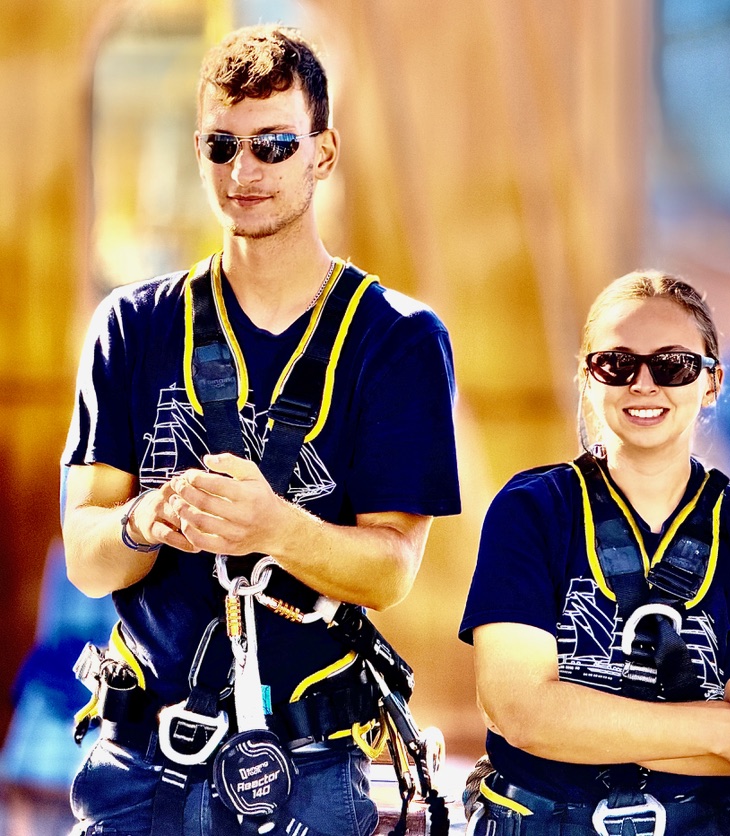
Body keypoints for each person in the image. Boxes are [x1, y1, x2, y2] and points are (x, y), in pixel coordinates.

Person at [61, 25, 460, 836]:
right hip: (137, 764)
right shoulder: (130, 327)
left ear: (323, 152)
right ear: (199, 150)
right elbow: (85, 557)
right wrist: (148, 518)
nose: (244, 171)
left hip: (310, 769)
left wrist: (273, 526)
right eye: (222, 145)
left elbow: (390, 570)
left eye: (275, 145)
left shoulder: (399, 340)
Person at [459, 270, 730, 835]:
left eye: (673, 365)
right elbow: (520, 714)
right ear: (587, 377)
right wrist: (724, 730)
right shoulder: (531, 511)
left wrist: (575, 723)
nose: (643, 384)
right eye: (616, 363)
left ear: (712, 382)